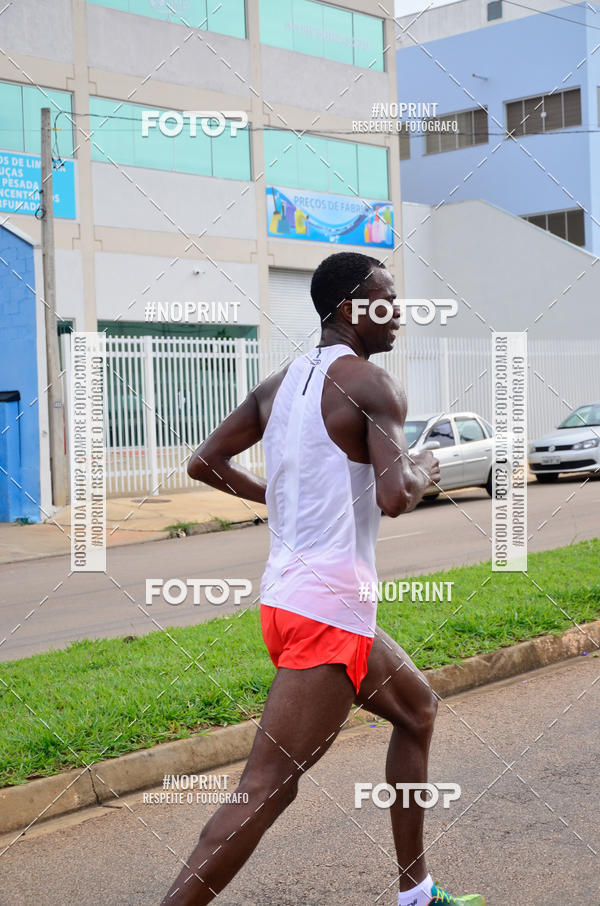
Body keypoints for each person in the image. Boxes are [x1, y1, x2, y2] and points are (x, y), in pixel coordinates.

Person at [162, 252, 485, 906]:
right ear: (349, 309)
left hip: (295, 602)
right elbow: (394, 496)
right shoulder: (372, 385)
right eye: (385, 300)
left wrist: (280, 498)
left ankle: (416, 893)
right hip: (327, 613)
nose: (399, 312)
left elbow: (205, 462)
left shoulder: (279, 385)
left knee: (417, 710)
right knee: (267, 786)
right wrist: (423, 468)